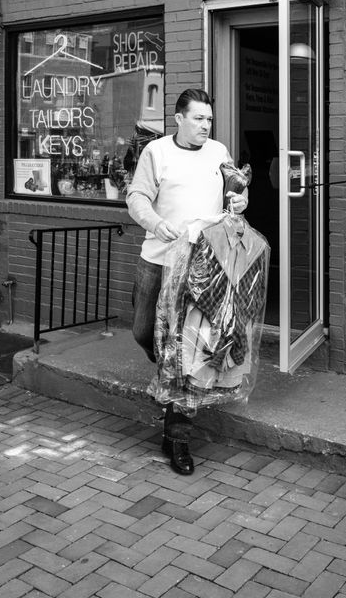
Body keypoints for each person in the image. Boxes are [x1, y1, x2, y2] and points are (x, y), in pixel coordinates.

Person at [126, 88, 248, 475]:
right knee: (144, 333)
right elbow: (137, 197)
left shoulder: (219, 152)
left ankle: (176, 438)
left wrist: (240, 201)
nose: (205, 125)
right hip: (158, 260)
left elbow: (234, 193)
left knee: (188, 353)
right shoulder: (156, 152)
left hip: (202, 266)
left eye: (209, 119)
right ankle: (169, 372)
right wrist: (155, 223)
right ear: (178, 118)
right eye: (198, 118)